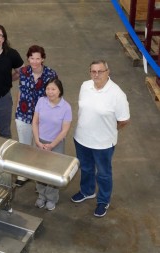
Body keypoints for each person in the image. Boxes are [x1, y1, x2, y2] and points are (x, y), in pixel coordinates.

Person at [71, 60, 130, 217]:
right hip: (82, 138)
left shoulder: (117, 94)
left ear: (108, 72)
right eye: (93, 71)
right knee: (86, 168)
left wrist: (108, 129)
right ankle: (87, 191)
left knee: (103, 173)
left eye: (100, 71)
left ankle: (103, 200)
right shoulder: (85, 86)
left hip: (103, 143)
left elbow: (124, 120)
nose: (96, 74)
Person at [14, 45, 57, 186]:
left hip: (42, 118)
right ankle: (23, 174)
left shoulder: (50, 74)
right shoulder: (24, 72)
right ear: (28, 58)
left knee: (40, 146)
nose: (34, 61)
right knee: (24, 145)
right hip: (24, 115)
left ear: (43, 59)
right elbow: (20, 90)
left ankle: (39, 175)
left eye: (38, 58)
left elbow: (55, 96)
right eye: (32, 58)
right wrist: (17, 108)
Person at [32, 78, 72, 211]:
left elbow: (65, 130)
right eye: (48, 89)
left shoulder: (66, 107)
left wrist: (52, 145)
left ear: (60, 90)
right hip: (39, 141)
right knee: (39, 170)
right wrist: (37, 141)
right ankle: (41, 195)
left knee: (53, 172)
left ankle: (51, 197)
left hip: (56, 144)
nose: (50, 92)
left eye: (53, 89)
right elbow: (35, 122)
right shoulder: (41, 101)